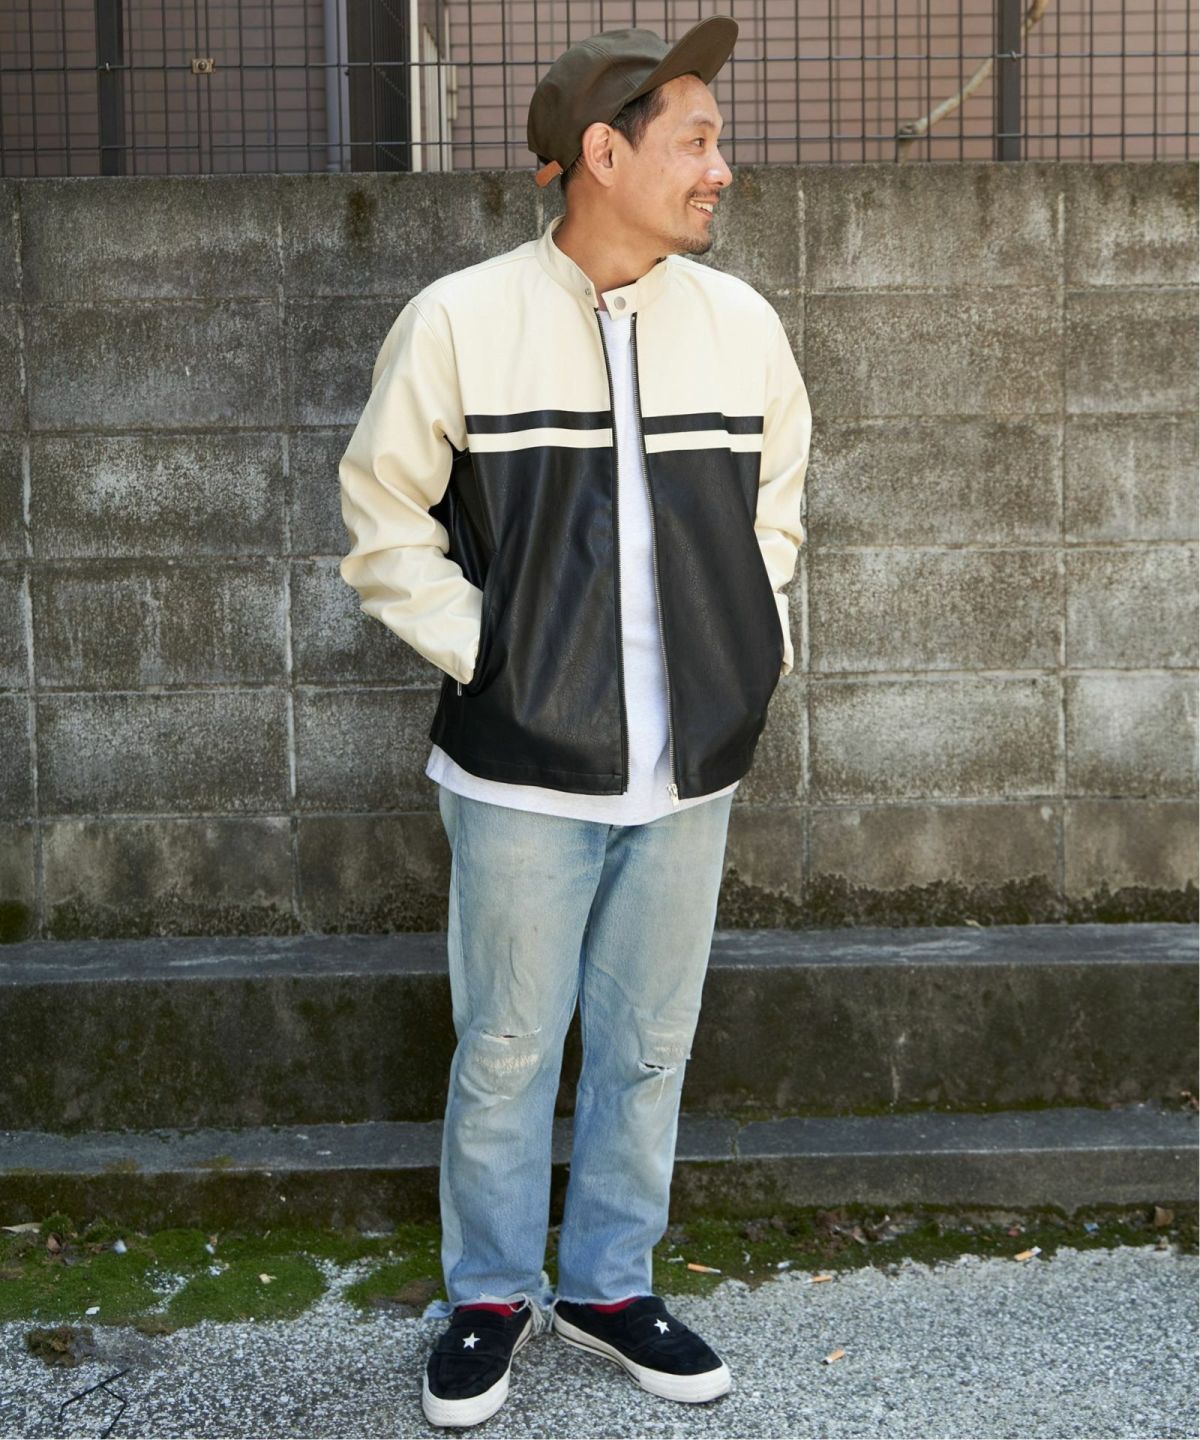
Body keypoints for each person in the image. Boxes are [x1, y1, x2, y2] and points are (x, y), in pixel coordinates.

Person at [337, 14, 811, 1428]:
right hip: (519, 770)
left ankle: (609, 1285)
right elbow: (381, 523)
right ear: (603, 153)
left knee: (650, 1045)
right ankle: (489, 1296)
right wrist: (495, 656)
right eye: (696, 140)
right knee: (507, 1048)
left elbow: (776, 513)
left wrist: (750, 648)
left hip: (691, 769)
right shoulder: (460, 322)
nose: (721, 166)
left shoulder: (741, 326)